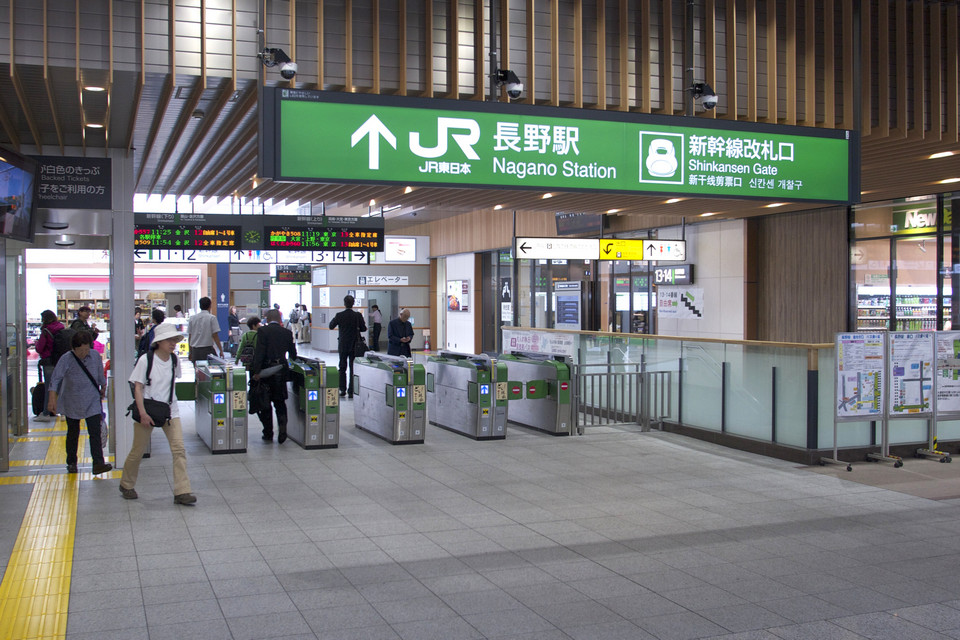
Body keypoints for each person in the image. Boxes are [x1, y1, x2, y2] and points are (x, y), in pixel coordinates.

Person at [119, 323, 196, 505]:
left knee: (179, 450)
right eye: (170, 340)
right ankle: (126, 484)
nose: (174, 343)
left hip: (171, 411)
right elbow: (138, 388)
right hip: (149, 411)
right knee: (137, 451)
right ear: (159, 342)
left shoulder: (175, 360)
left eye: (175, 340)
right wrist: (143, 414)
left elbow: (171, 384)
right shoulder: (146, 360)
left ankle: (182, 491)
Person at [47, 330, 112, 475]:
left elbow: (99, 374)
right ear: (73, 348)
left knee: (94, 432)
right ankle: (71, 462)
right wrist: (52, 399)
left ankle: (98, 464)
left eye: (86, 349)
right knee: (73, 432)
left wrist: (103, 387)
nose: (83, 353)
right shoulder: (66, 359)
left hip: (92, 400)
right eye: (80, 350)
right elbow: (56, 378)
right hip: (72, 400)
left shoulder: (94, 356)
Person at [251, 309, 297, 443]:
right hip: (281, 371)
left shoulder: (263, 331)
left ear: (267, 318)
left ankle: (268, 432)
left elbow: (259, 353)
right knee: (280, 402)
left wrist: (257, 372)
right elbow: (293, 354)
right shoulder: (287, 333)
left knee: (265, 403)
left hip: (266, 371)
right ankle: (282, 431)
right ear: (279, 318)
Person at [329, 295, 366, 398]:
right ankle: (351, 391)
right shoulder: (358, 315)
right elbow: (363, 329)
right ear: (353, 304)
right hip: (355, 345)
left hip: (343, 345)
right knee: (353, 367)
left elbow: (331, 326)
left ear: (344, 304)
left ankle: (342, 389)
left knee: (342, 367)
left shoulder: (339, 315)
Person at [34, 309, 65, 421]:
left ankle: (46, 413)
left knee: (49, 387)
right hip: (61, 361)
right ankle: (63, 413)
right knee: (61, 386)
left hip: (49, 362)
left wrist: (37, 343)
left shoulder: (46, 331)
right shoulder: (61, 328)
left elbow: (39, 348)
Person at [187, 297, 224, 363]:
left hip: (195, 350)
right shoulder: (212, 318)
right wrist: (221, 350)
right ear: (210, 306)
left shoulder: (192, 318)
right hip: (208, 350)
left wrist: (190, 352)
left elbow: (190, 336)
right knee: (210, 371)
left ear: (200, 306)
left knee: (197, 371)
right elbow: (215, 336)